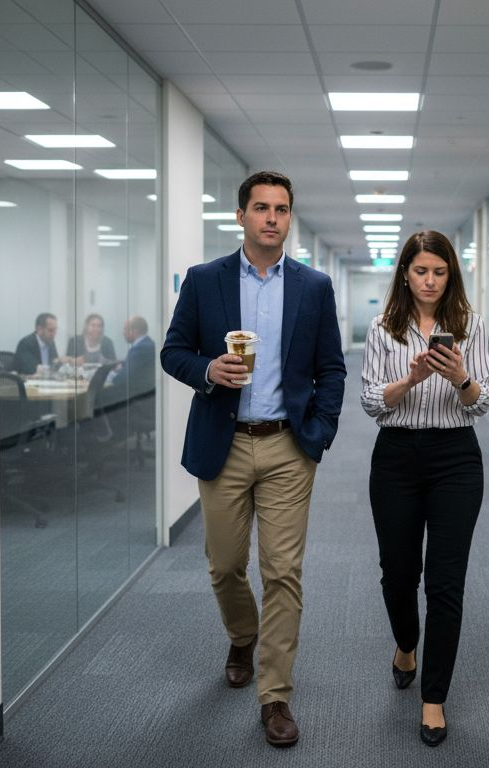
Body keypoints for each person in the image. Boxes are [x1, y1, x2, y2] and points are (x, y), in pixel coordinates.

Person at [160, 170, 346, 748]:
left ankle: (275, 695)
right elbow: (173, 352)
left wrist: (319, 431)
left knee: (283, 573)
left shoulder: (313, 287)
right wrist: (208, 371)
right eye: (261, 208)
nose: (272, 218)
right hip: (225, 442)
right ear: (241, 216)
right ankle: (242, 634)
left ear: (289, 219)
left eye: (282, 209)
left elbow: (332, 369)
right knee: (224, 563)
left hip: (289, 447)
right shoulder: (204, 280)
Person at [359, 230, 489, 747]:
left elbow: (481, 405)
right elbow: (372, 403)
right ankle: (405, 644)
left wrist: (460, 376)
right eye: (421, 271)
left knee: (444, 582)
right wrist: (411, 380)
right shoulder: (382, 328)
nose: (430, 281)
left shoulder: (470, 327)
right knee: (397, 573)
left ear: (450, 274)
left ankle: (433, 697)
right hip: (395, 457)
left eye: (439, 271)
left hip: (456, 459)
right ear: (405, 275)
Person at [107, 315, 155, 396]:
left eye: (125, 329)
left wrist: (108, 377)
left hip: (137, 396)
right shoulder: (147, 343)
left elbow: (124, 378)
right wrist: (122, 366)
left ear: (135, 331)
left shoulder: (140, 348)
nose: (123, 333)